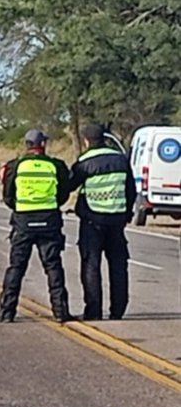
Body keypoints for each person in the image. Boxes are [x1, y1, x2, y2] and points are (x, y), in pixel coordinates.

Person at [0, 129, 74, 323]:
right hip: (49, 221)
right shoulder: (56, 165)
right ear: (43, 145)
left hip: (23, 222)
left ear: (27, 144)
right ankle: (60, 312)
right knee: (53, 267)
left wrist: (21, 208)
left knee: (16, 267)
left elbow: (8, 195)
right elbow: (63, 193)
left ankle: (7, 313)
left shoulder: (15, 166)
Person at [68, 124, 137, 320]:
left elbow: (70, 186)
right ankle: (118, 310)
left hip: (92, 221)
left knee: (91, 265)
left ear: (86, 141)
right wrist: (127, 214)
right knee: (118, 265)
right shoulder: (121, 159)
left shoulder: (84, 162)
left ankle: (93, 311)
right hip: (116, 220)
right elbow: (131, 190)